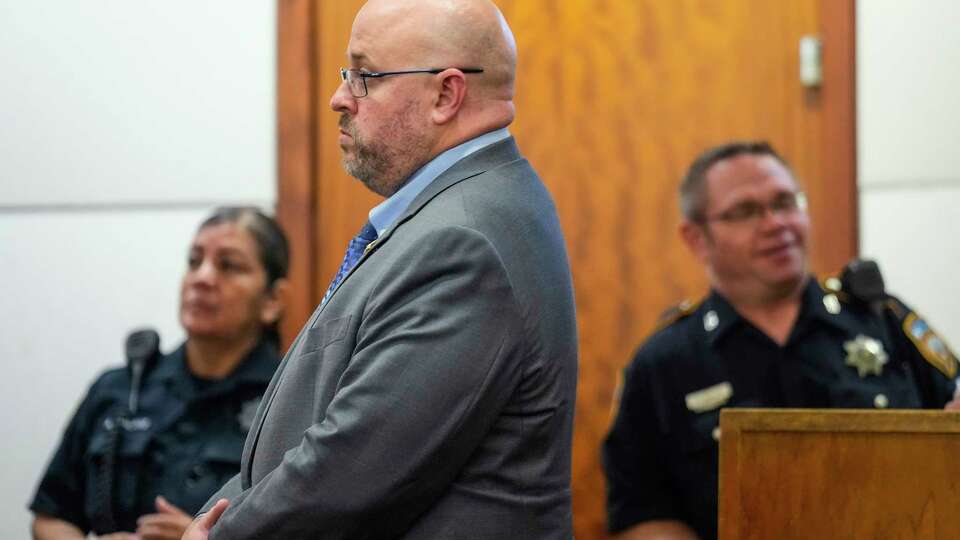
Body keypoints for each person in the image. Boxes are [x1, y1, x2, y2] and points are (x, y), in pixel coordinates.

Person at [182, 1, 578, 539]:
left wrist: (216, 537)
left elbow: (347, 475)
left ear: (446, 94)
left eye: (365, 76)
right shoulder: (459, 213)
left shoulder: (461, 241)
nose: (339, 97)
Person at [602, 141, 959, 540]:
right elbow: (640, 513)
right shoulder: (663, 362)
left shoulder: (884, 321)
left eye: (786, 202)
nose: (776, 223)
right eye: (746, 212)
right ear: (696, 238)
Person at [30, 207, 289, 540]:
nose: (203, 277)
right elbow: (51, 516)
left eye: (229, 265)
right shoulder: (118, 389)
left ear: (273, 300)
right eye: (194, 261)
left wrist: (209, 537)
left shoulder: (290, 399)